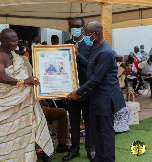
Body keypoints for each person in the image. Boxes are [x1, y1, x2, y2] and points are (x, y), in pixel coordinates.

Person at [0, 28, 53, 161]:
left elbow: (22, 74)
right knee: (2, 137)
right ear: (3, 41)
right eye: (12, 40)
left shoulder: (15, 55)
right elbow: (2, 78)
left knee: (24, 135)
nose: (16, 42)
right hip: (2, 104)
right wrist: (25, 81)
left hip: (20, 106)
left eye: (16, 39)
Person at [68, 21, 125, 162]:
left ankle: (108, 159)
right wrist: (77, 55)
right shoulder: (95, 48)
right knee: (95, 131)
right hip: (95, 97)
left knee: (106, 133)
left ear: (95, 34)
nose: (85, 36)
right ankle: (99, 158)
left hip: (105, 97)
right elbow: (89, 66)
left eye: (87, 34)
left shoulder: (106, 52)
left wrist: (78, 92)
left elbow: (96, 78)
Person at [63, 17, 95, 162]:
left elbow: (92, 65)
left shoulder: (90, 43)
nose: (75, 28)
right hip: (71, 90)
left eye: (78, 26)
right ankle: (74, 149)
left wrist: (78, 54)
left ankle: (90, 149)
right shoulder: (66, 44)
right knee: (74, 122)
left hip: (87, 89)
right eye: (72, 26)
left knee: (89, 122)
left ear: (83, 27)